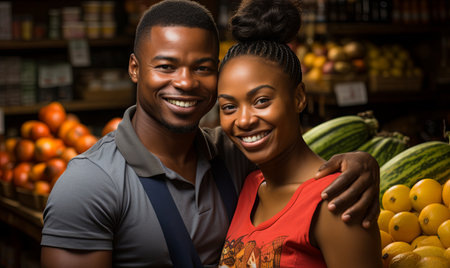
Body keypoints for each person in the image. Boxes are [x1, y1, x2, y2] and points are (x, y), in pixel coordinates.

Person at [40, 1, 380, 267]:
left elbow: (300, 171)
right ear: (134, 68)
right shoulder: (89, 184)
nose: (186, 82)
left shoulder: (236, 156)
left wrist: (362, 162)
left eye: (202, 68)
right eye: (166, 66)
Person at [216, 0, 382, 267]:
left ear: (299, 98)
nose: (244, 120)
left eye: (261, 101)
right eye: (229, 106)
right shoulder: (249, 186)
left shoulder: (337, 200)